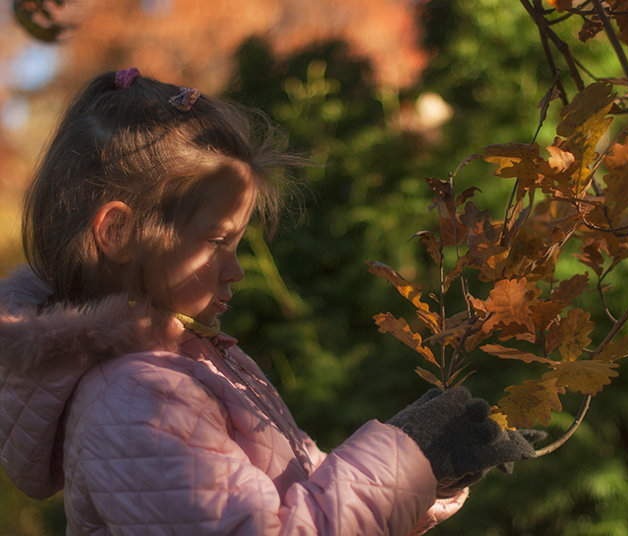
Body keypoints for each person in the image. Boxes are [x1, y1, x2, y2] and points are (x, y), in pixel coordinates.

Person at [0, 68, 539, 535]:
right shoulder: (133, 398)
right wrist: (409, 452)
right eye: (216, 243)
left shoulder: (190, 363)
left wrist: (429, 472)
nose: (235, 270)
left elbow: (299, 496)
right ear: (117, 232)